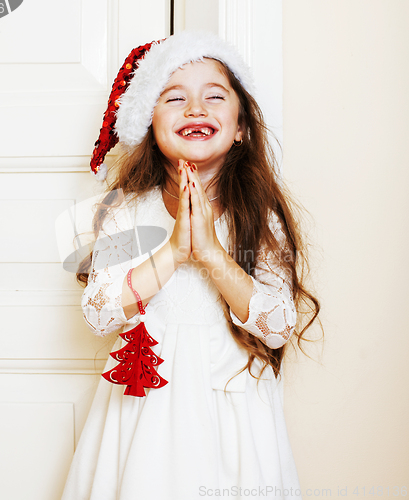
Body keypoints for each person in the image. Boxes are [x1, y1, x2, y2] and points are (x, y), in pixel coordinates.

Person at [61, 31, 319, 500]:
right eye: (174, 97)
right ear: (148, 126)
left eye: (214, 96)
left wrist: (211, 254)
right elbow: (98, 312)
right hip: (143, 412)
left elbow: (278, 325)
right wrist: (175, 250)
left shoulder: (259, 217)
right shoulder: (126, 212)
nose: (195, 109)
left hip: (232, 412)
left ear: (240, 126)